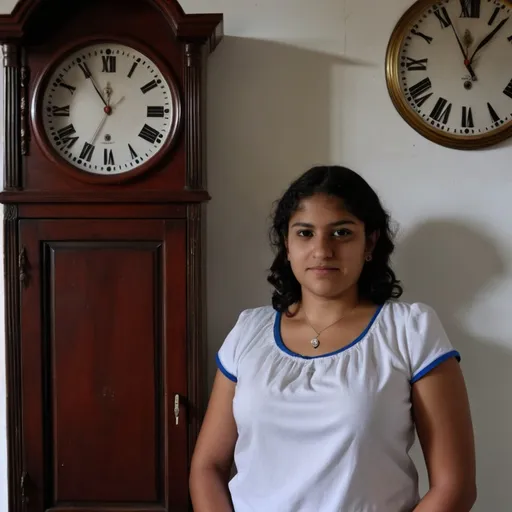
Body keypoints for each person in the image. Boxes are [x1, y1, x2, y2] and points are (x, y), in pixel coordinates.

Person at [189, 165, 477, 512]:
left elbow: (455, 487)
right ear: (287, 244)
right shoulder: (248, 332)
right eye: (305, 233)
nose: (322, 250)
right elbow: (207, 468)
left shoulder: (411, 330)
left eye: (341, 233)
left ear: (369, 242)